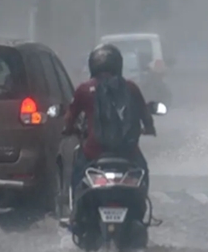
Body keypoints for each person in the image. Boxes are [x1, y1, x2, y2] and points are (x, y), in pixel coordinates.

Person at [63, 44, 156, 205]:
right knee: (143, 172)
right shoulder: (131, 88)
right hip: (128, 153)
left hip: (94, 152)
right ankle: (140, 209)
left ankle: (75, 212)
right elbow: (145, 115)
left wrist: (68, 130)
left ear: (93, 64)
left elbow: (70, 118)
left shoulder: (84, 89)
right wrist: (149, 129)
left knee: (78, 174)